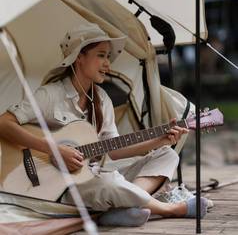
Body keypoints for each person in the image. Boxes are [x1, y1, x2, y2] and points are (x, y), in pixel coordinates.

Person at [0, 22, 208, 226]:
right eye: (101, 55)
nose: (108, 64)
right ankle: (169, 209)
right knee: (109, 183)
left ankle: (125, 208)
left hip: (95, 174)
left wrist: (158, 140)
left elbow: (114, 149)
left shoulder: (101, 99)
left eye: (108, 57)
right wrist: (54, 148)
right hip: (64, 186)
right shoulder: (50, 94)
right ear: (79, 57)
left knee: (167, 154)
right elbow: (4, 124)